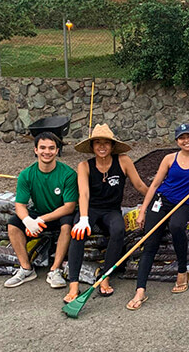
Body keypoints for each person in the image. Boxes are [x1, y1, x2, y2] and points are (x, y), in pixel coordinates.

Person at [126, 124, 189, 310]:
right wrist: (143, 211)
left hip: (184, 204)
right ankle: (140, 290)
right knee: (150, 241)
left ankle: (182, 271)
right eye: (182, 138)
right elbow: (155, 184)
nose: (186, 141)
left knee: (177, 226)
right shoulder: (169, 158)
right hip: (161, 200)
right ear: (177, 141)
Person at [63, 124, 149, 304]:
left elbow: (140, 185)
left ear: (112, 146)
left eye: (106, 143)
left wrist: (156, 198)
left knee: (118, 230)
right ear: (92, 146)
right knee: (77, 233)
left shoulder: (123, 161)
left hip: (111, 210)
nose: (102, 147)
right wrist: (84, 219)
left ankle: (105, 277)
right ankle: (73, 284)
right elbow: (84, 193)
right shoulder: (84, 165)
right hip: (91, 209)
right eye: (97, 143)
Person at [4, 132, 78, 288]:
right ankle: (26, 269)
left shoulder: (68, 174)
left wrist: (41, 220)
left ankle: (54, 270)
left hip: (59, 214)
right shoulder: (26, 175)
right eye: (42, 147)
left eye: (51, 148)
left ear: (57, 151)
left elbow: (69, 206)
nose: (47, 151)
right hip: (37, 212)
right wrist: (27, 220)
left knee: (67, 225)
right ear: (35, 150)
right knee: (13, 224)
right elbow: (20, 205)